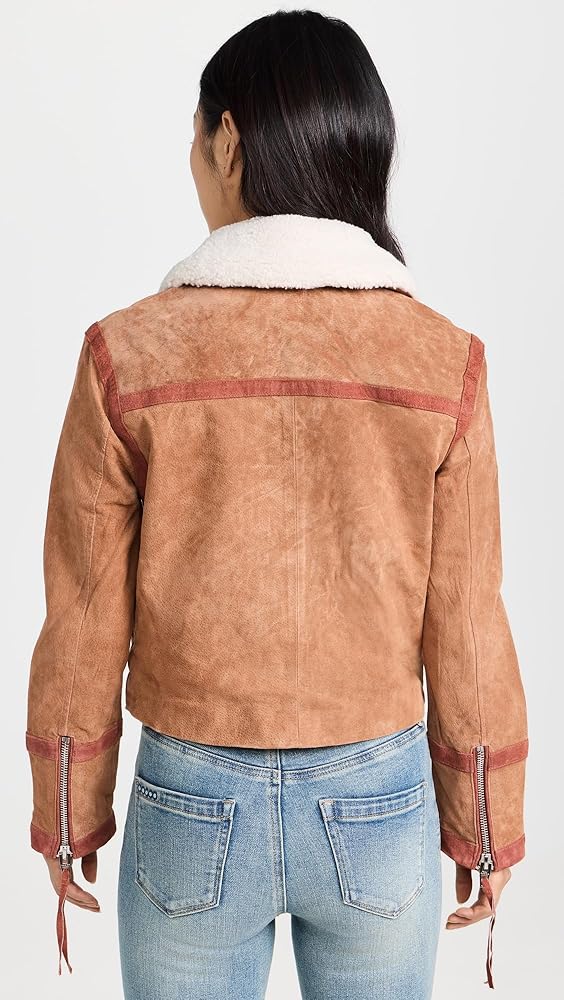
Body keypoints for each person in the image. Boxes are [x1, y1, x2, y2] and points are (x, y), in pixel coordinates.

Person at [25, 9, 528, 998]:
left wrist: (68, 802)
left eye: (194, 137)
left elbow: (82, 615)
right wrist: (485, 818)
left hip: (191, 800)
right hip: (377, 803)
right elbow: (469, 621)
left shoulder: (128, 354)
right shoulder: (444, 361)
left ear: (228, 141)